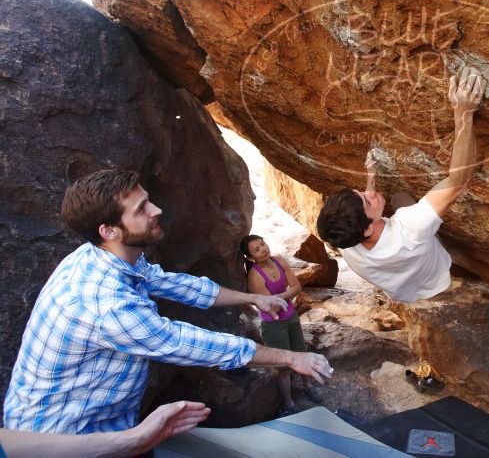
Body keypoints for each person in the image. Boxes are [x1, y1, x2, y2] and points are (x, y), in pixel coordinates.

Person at [3, 169, 333, 435]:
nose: (156, 210)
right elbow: (187, 343)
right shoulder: (104, 304)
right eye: (141, 209)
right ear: (110, 231)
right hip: (61, 437)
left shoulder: (108, 256)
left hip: (107, 424)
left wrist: (253, 298)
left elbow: (179, 285)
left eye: (148, 200)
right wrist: (291, 358)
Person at [316, 67, 485, 302]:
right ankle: (440, 242)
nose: (370, 193)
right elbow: (458, 181)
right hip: (436, 277)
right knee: (403, 199)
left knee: (397, 199)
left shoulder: (345, 240)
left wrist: (371, 175)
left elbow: (359, 213)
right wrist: (463, 112)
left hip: (405, 291)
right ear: (366, 228)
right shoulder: (411, 228)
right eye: (367, 199)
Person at [240, 234, 323, 415]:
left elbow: (297, 287)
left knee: (301, 353)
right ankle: (288, 402)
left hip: (291, 317)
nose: (263, 249)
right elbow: (272, 308)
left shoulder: (279, 261)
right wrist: (283, 296)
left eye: (263, 244)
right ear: (250, 257)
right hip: (274, 325)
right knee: (283, 366)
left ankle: (308, 385)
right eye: (257, 249)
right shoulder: (255, 276)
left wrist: (279, 297)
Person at [0, 400, 209, 458]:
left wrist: (132, 440)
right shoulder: (110, 306)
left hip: (78, 438)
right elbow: (171, 340)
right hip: (64, 427)